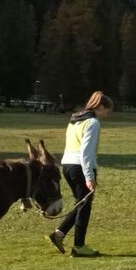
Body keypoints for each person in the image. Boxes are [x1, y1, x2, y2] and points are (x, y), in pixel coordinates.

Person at [49, 91, 113, 256]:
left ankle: (59, 234)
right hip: (81, 166)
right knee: (85, 207)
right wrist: (90, 177)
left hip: (67, 165)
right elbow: (87, 152)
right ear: (100, 106)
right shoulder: (92, 122)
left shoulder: (76, 120)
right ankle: (79, 246)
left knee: (81, 203)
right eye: (107, 110)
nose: (108, 114)